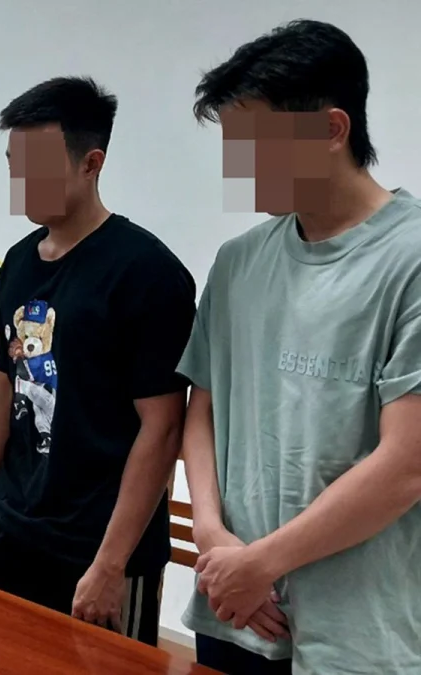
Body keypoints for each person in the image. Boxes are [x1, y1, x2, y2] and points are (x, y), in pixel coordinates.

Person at [180, 19, 421, 675]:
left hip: (356, 638)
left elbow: (405, 464)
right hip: (232, 609)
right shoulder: (237, 263)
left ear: (332, 129)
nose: (239, 169)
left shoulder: (409, 260)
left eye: (256, 147)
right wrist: (213, 537)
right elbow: (201, 408)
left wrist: (261, 563)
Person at [0, 77, 196, 646]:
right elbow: (5, 388)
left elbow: (162, 429)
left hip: (97, 548)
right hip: (12, 527)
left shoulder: (148, 273)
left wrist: (111, 564)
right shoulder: (17, 263)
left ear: (91, 163)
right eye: (14, 165)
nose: (20, 183)